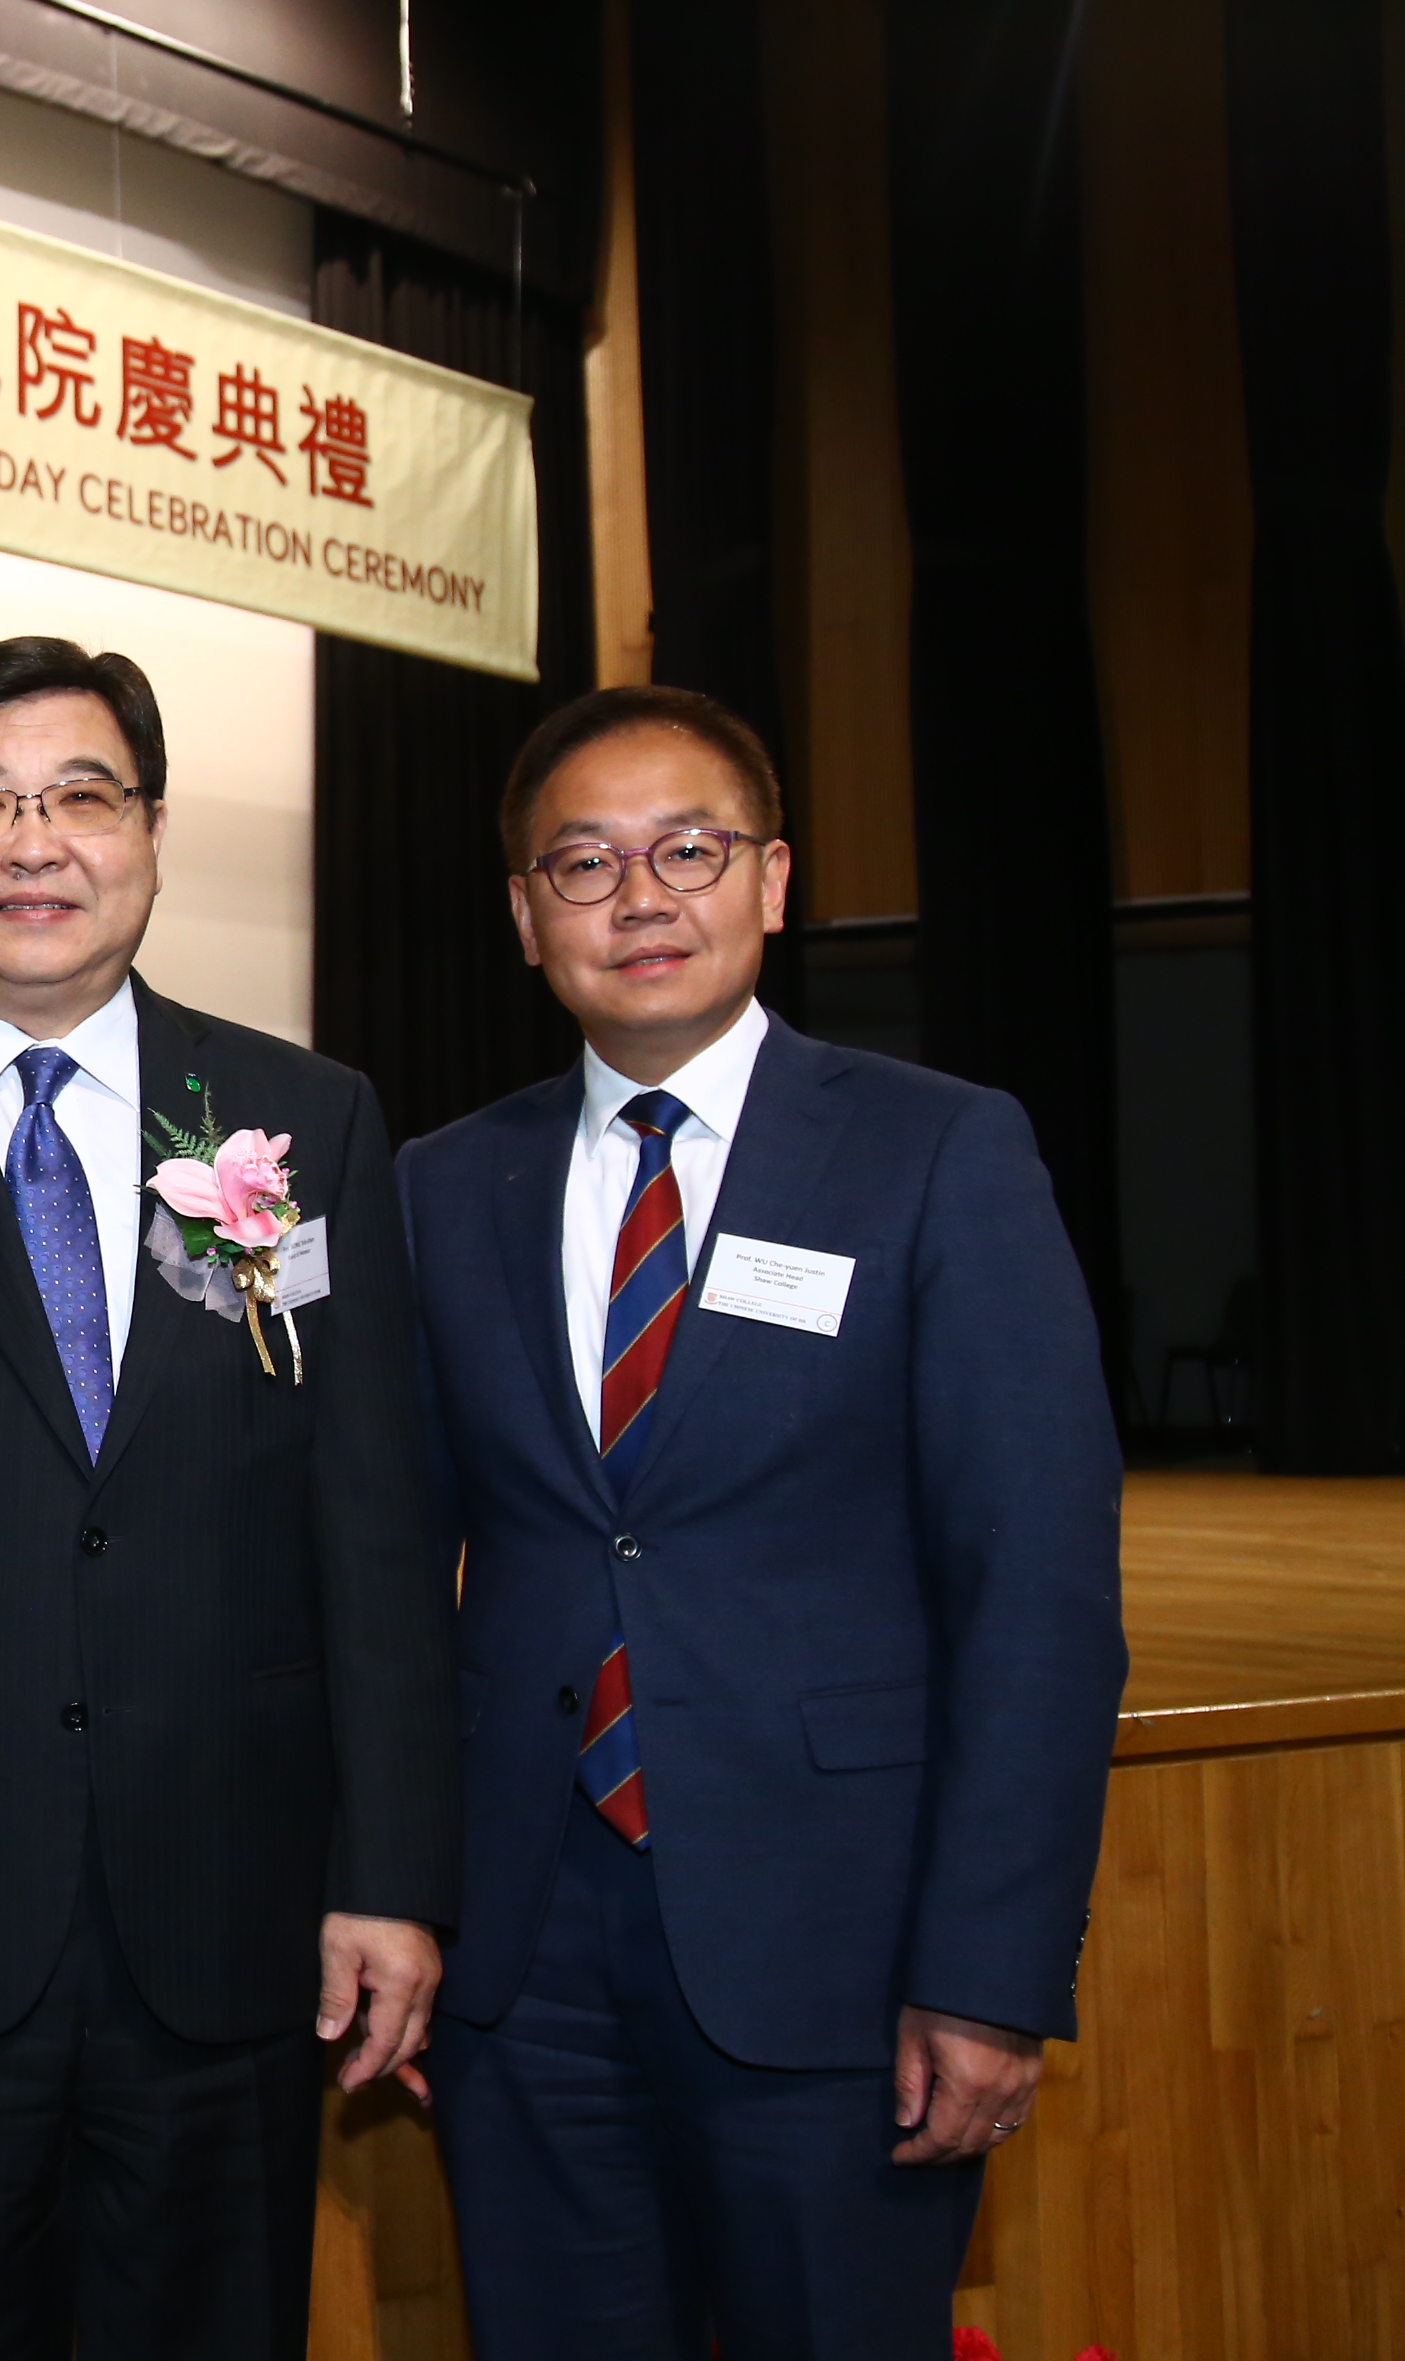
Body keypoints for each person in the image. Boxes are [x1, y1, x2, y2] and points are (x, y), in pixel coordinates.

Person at [0, 637, 459, 2361]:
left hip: (234, 1915)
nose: (31, 842)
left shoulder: (299, 1118)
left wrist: (393, 1872)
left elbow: (376, 1533)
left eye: (80, 797)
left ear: (155, 831)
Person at [399, 687, 1126, 2359]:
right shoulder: (447, 1186)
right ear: (524, 916)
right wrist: (408, 1905)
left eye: (689, 850)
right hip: (523, 1961)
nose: (639, 897)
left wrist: (991, 1968)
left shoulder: (941, 1152)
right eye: (583, 864)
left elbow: (1038, 1596)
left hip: (845, 1949)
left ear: (774, 879)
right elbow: (388, 1577)